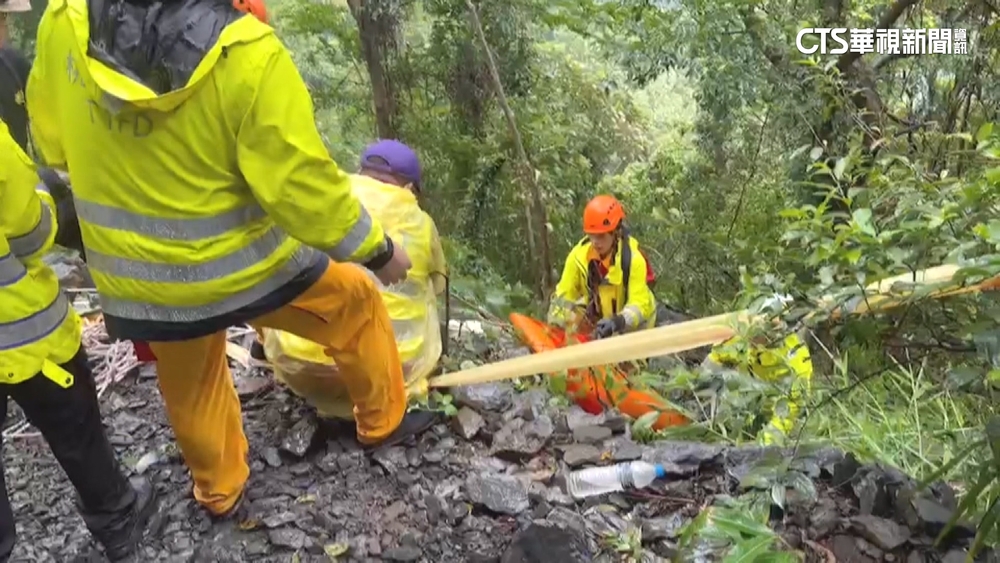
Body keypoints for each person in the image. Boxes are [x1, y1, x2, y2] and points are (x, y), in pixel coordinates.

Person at [27, 0, 436, 520]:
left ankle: (220, 492)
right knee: (355, 305)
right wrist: (377, 251)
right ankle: (382, 423)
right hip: (245, 267)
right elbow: (300, 187)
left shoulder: (67, 21)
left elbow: (52, 141)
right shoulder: (247, 51)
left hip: (141, 279)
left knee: (191, 381)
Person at [0, 118, 157, 562]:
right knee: (74, 425)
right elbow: (31, 235)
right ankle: (117, 519)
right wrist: (46, 193)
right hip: (24, 335)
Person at [259, 140, 448, 419]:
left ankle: (263, 351)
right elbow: (440, 287)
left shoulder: (325, 201)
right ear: (409, 189)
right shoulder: (421, 222)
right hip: (390, 374)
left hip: (300, 369)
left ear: (359, 171)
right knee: (429, 289)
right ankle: (394, 406)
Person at [701, 295, 813, 444]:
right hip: (751, 404)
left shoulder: (796, 358)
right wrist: (696, 387)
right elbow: (712, 363)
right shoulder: (742, 339)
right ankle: (722, 429)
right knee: (723, 381)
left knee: (782, 441)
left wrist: (764, 444)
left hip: (782, 413)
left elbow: (790, 408)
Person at [548, 194, 657, 339]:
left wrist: (618, 321)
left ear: (616, 232)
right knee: (576, 313)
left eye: (601, 236)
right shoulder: (579, 256)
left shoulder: (633, 260)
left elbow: (639, 304)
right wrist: (555, 325)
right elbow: (564, 295)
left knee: (627, 359)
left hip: (635, 326)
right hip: (603, 316)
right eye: (591, 235)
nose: (595, 242)